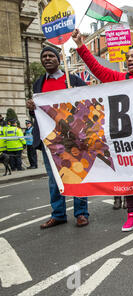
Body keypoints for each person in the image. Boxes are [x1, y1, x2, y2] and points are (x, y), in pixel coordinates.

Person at [72, 28, 133, 233]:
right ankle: (132, 215)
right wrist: (80, 46)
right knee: (130, 177)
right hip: (126, 137)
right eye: (127, 57)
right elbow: (95, 68)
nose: (129, 59)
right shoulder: (118, 79)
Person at [26, 46, 89, 228]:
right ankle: (58, 214)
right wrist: (32, 109)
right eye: (44, 56)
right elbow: (38, 113)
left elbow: (87, 105)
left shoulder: (73, 80)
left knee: (76, 175)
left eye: (51, 56)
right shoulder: (38, 84)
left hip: (71, 137)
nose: (47, 59)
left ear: (59, 58)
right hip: (49, 139)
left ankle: (81, 213)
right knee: (54, 179)